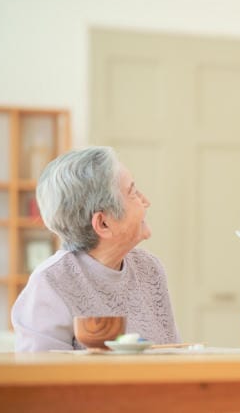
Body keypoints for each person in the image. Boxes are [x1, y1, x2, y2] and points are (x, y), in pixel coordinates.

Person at [12, 146, 180, 351]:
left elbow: (172, 355)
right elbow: (43, 376)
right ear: (103, 224)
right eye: (133, 192)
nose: (146, 201)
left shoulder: (149, 268)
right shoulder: (50, 283)